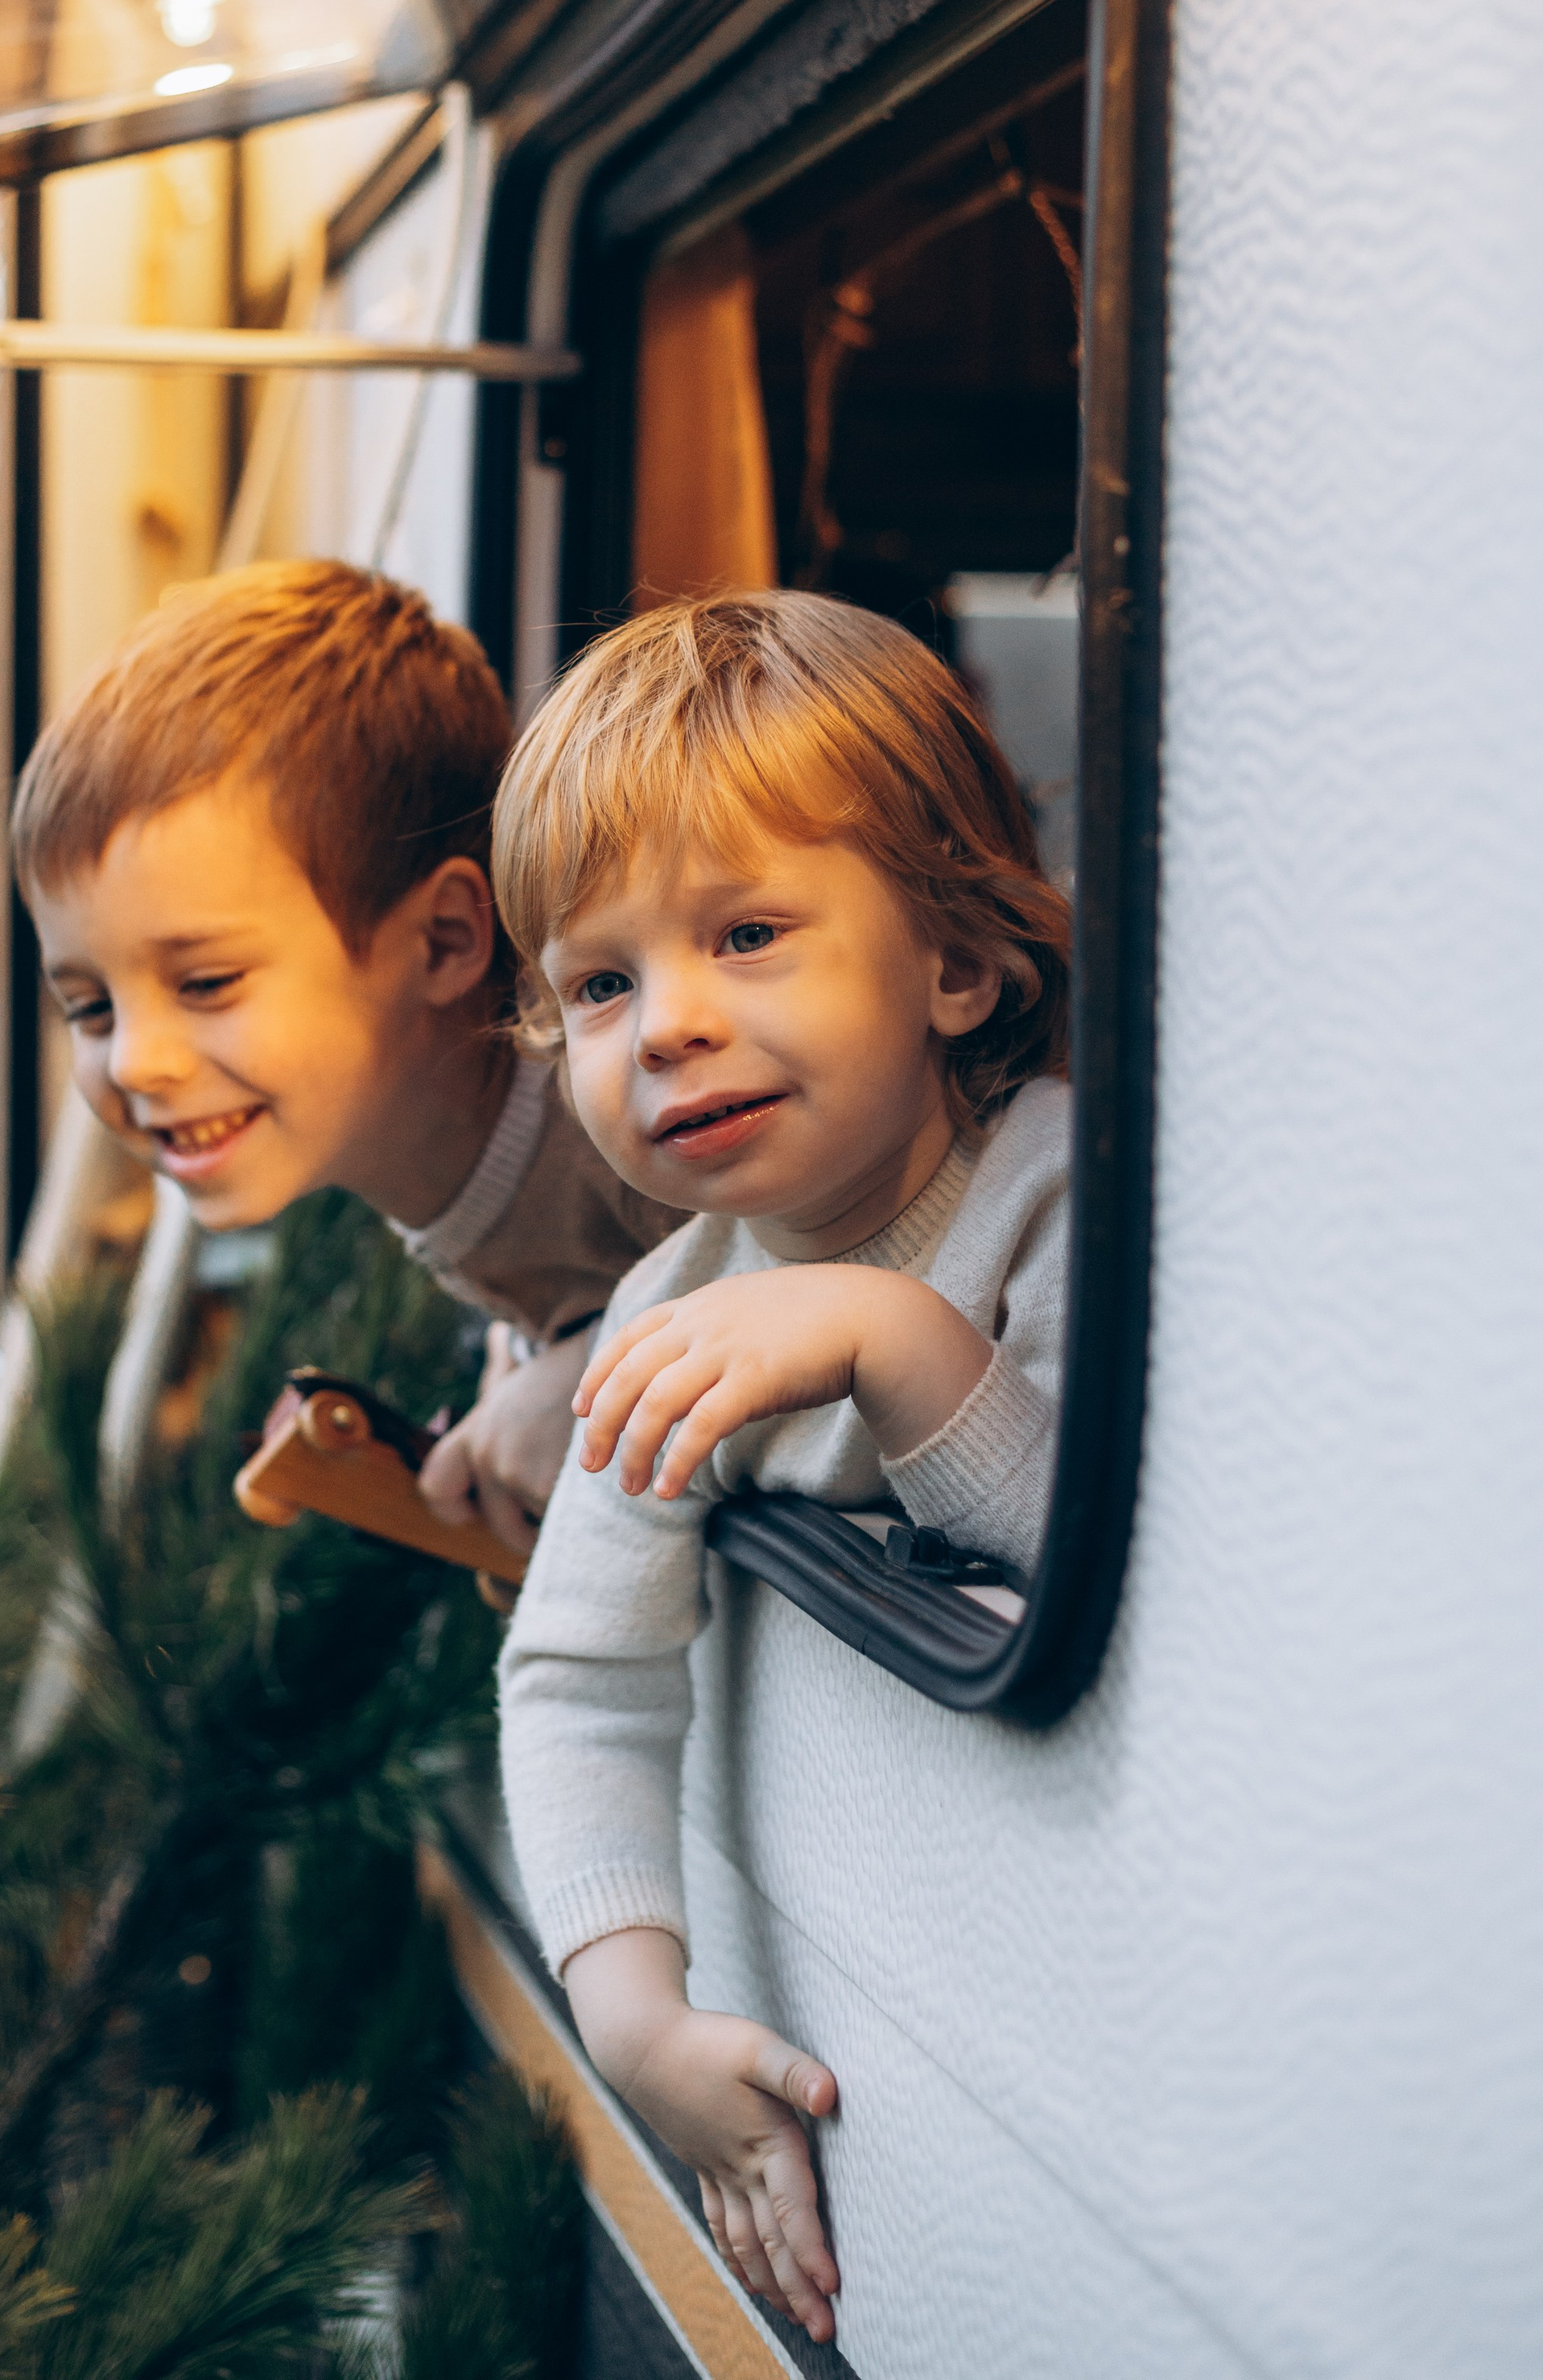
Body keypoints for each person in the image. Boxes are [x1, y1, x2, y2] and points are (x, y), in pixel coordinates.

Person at [492, 590, 1073, 2345]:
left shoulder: (1065, 1187)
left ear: (953, 966)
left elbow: (1110, 1568)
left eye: (744, 934)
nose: (661, 1022)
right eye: (599, 981)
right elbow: (579, 1674)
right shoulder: (670, 1303)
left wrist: (893, 1345)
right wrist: (634, 2020)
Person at [11, 559, 674, 1548]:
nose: (136, 1062)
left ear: (443, 942)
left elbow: (850, 1289)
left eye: (206, 984)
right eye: (90, 1006)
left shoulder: (627, 1109)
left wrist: (591, 1380)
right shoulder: (447, 1155)